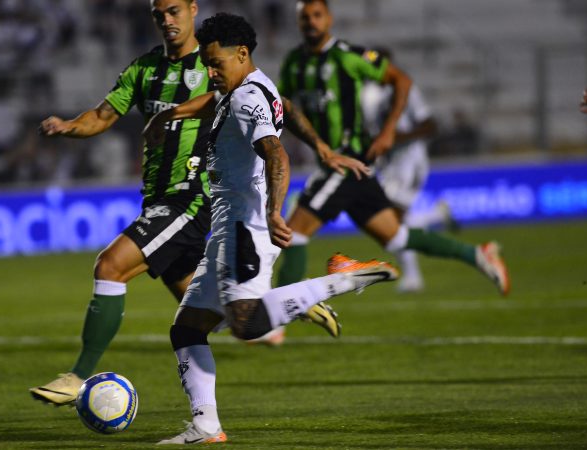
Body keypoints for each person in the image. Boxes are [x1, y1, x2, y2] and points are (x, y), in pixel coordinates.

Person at [143, 13, 398, 444]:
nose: (209, 72)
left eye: (215, 63)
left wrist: (277, 213)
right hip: (228, 225)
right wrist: (173, 114)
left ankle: (338, 282)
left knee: (244, 323)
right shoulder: (249, 86)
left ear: (241, 54)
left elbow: (276, 155)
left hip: (246, 225)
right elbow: (284, 109)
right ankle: (206, 426)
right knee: (187, 328)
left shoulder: (245, 99)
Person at [29, 0, 216, 406]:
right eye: (159, 15)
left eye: (173, 11)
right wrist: (68, 126)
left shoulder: (213, 62)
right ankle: (296, 300)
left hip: (190, 197)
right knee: (213, 315)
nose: (166, 20)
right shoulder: (144, 69)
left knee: (109, 266)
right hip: (158, 202)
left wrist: (173, 115)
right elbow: (102, 115)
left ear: (193, 9)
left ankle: (77, 377)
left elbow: (230, 96)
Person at [275, 0, 510, 297]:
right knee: (396, 236)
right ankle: (477, 254)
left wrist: (387, 133)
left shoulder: (348, 56)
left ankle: (275, 319)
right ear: (298, 21)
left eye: (317, 15)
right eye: (304, 17)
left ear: (329, 19)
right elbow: (281, 106)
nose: (311, 21)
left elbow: (401, 80)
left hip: (346, 161)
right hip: (338, 166)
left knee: (293, 233)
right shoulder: (294, 63)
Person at [360, 47, 458, 292]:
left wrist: (399, 136)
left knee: (391, 221)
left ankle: (413, 278)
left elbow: (430, 125)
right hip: (389, 165)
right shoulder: (366, 94)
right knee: (389, 223)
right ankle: (437, 215)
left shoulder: (406, 89)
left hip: (410, 161)